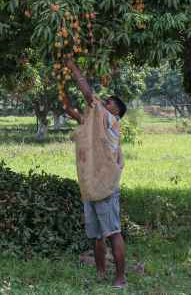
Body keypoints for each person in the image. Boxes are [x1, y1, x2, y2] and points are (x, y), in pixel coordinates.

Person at [62, 57, 127, 289]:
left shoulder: (110, 121)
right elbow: (78, 116)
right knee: (97, 234)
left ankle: (120, 277)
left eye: (109, 102)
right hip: (90, 184)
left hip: (105, 184)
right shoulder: (96, 121)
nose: (104, 102)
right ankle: (101, 272)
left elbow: (90, 97)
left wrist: (73, 68)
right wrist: (67, 101)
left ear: (116, 111)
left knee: (113, 231)